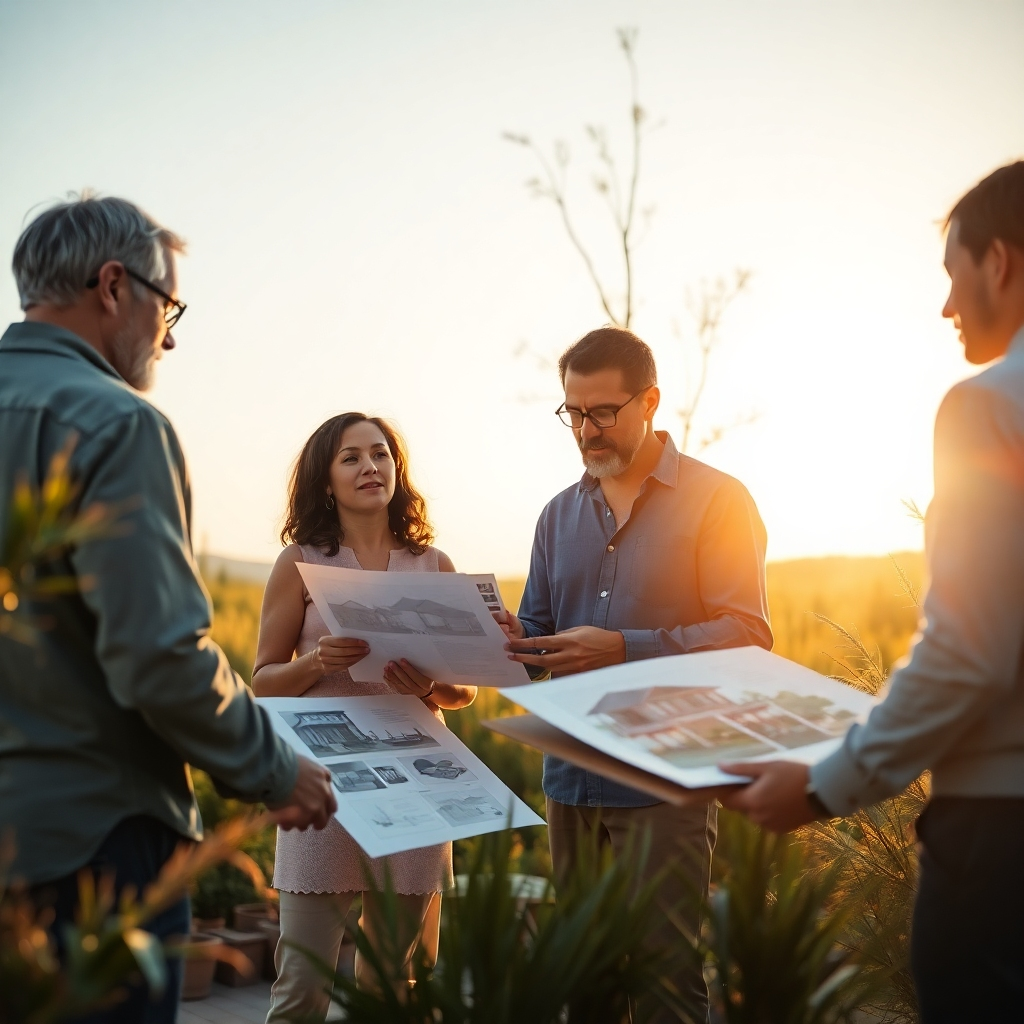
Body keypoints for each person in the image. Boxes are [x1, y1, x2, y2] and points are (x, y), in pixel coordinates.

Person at [0, 194, 336, 1024]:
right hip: (89, 858)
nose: (171, 334)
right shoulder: (114, 424)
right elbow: (157, 655)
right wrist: (272, 767)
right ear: (114, 286)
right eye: (168, 304)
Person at [719, 162, 1024, 1022]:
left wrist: (826, 783)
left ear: (999, 262)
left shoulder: (988, 408)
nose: (947, 307)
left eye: (952, 276)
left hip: (1002, 839)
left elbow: (969, 651)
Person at [500, 327, 773, 1021]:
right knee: (585, 983)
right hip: (571, 780)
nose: (586, 430)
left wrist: (625, 647)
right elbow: (537, 638)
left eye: (603, 413)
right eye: (573, 414)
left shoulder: (719, 501)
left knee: (662, 985)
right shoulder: (555, 516)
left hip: (664, 781)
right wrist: (502, 642)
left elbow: (747, 637)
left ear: (650, 401)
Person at [253, 412, 477, 1019]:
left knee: (398, 985)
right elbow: (261, 683)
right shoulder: (298, 564)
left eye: (380, 454)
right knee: (303, 982)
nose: (370, 467)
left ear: (397, 468)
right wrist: (314, 664)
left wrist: (431, 684)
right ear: (326, 480)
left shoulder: (434, 565)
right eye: (350, 458)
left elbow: (463, 693)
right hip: (324, 783)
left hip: (418, 784)